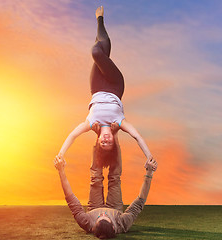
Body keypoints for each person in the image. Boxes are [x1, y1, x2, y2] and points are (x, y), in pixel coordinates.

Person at [58, 6, 154, 168]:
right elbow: (137, 136)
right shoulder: (119, 122)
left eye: (103, 144)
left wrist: (60, 154)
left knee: (101, 50)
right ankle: (100, 19)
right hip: (115, 85)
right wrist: (149, 157)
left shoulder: (90, 123)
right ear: (114, 143)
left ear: (98, 140)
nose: (106, 140)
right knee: (97, 53)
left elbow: (73, 135)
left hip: (96, 87)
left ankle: (100, 24)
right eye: (109, 144)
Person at [54, 134, 158, 239]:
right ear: (113, 227)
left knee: (96, 179)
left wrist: (61, 171)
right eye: (106, 217)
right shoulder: (122, 224)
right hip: (115, 208)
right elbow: (140, 201)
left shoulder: (86, 222)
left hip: (94, 207)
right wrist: (149, 173)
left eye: (100, 217)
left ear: (93, 227)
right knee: (115, 179)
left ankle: (100, 136)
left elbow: (70, 199)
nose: (103, 213)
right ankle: (115, 136)